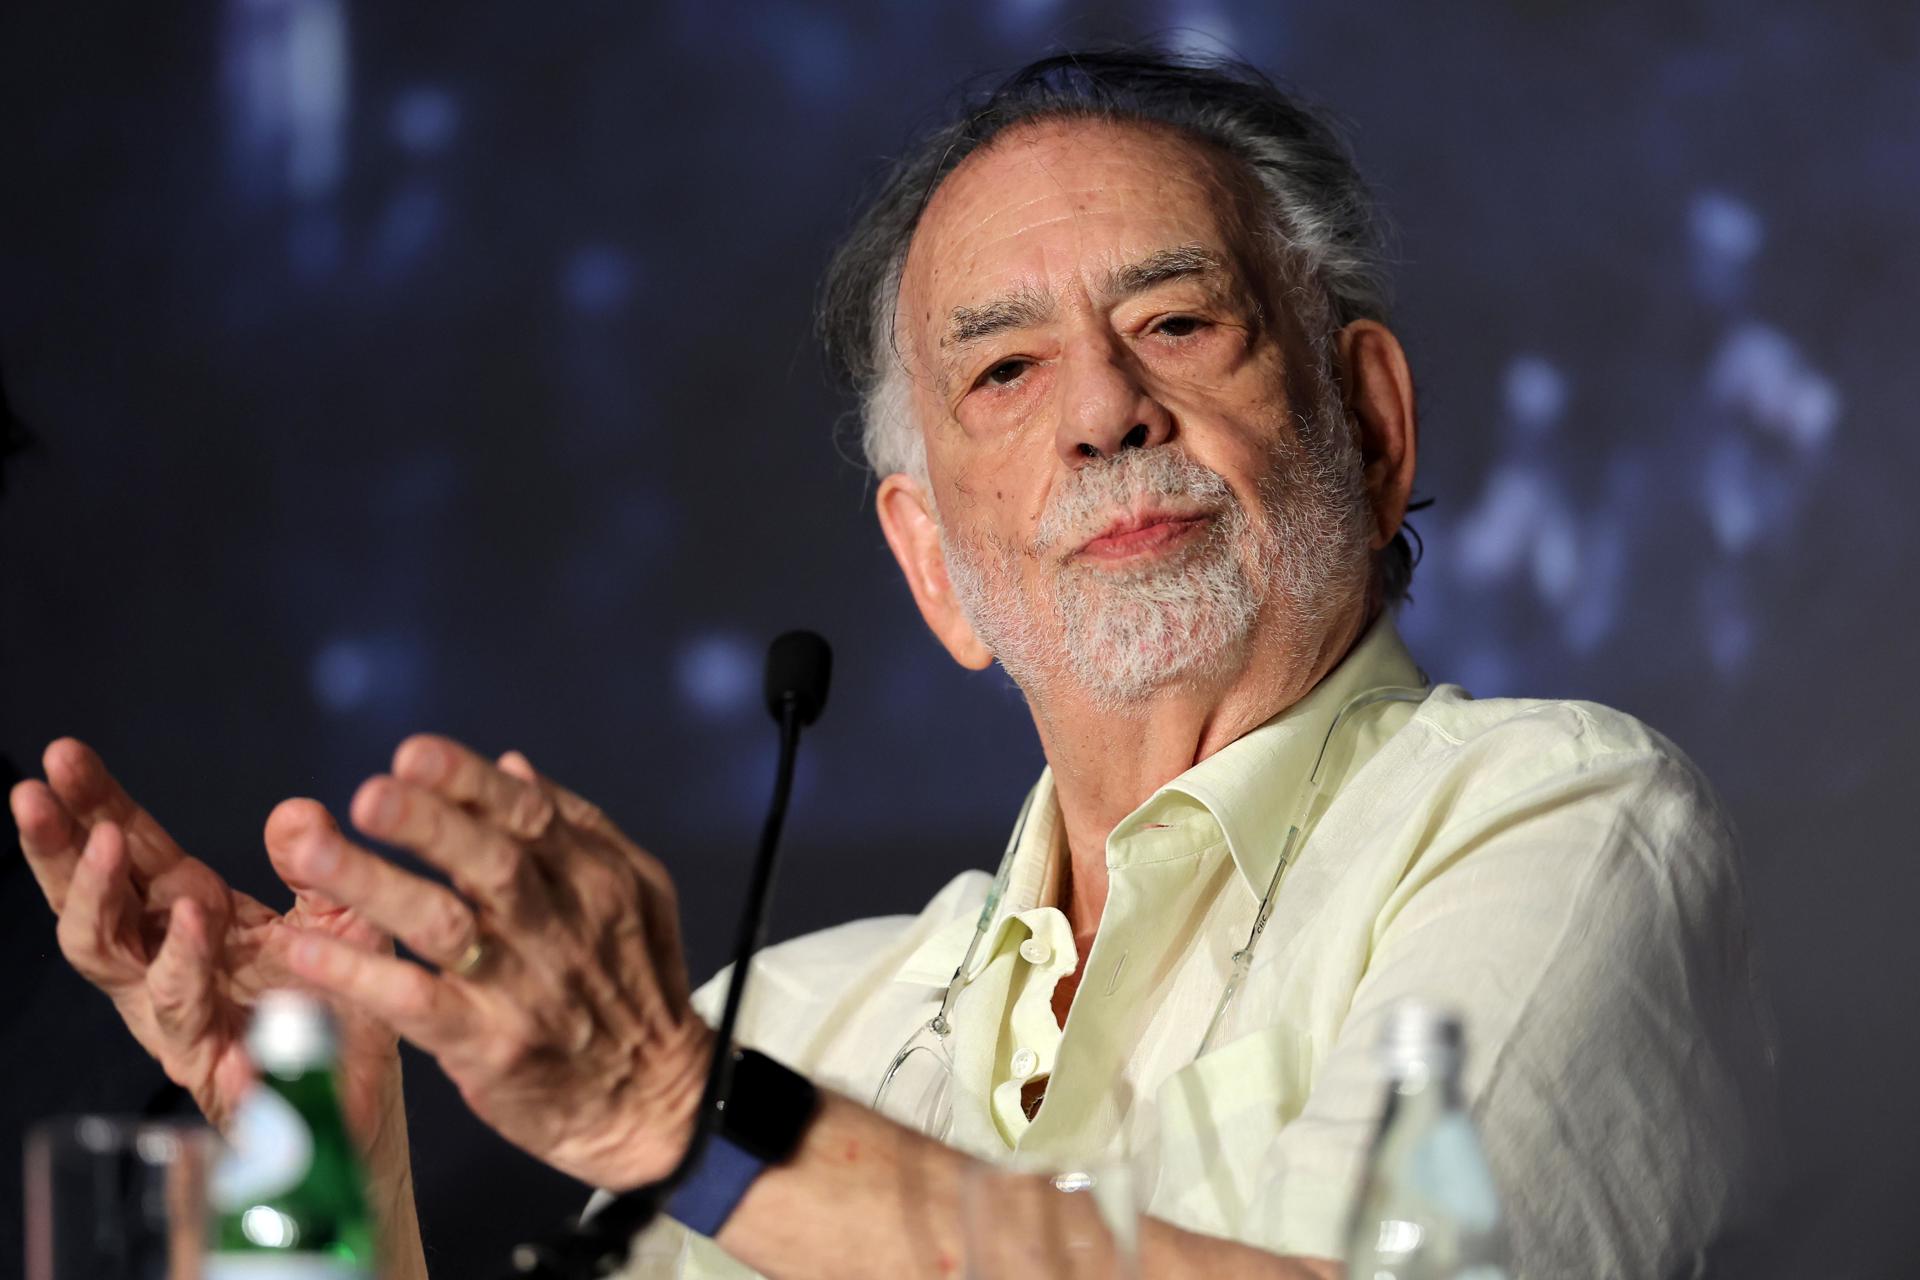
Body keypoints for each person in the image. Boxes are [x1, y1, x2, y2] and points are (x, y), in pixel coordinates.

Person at [10, 50, 1778, 1279]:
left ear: (1371, 427)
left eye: (1177, 322)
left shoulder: (1559, 827)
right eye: (1004, 371)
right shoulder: (784, 1027)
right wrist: (321, 1153)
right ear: (935, 564)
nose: (1104, 409)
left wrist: (685, 1119)